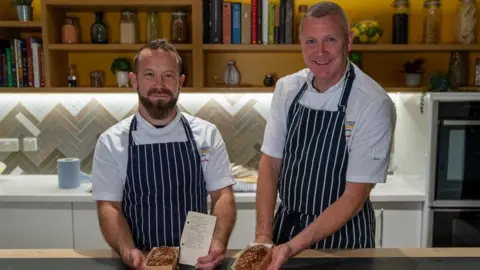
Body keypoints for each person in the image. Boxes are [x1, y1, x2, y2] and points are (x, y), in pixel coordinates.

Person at [254, 2, 396, 269]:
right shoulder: (287, 89)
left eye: (330, 39)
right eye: (311, 41)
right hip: (287, 228)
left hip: (344, 238)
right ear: (301, 43)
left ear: (348, 41)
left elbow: (355, 196)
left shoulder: (372, 102)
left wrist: (293, 247)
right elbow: (270, 163)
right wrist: (263, 236)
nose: (320, 52)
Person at [91, 38, 237, 270]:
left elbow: (222, 196)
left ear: (180, 82)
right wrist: (129, 253)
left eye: (168, 75)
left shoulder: (206, 134)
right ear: (134, 80)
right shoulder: (111, 141)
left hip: (195, 262)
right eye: (149, 75)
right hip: (140, 261)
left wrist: (218, 241)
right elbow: (109, 207)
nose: (159, 84)